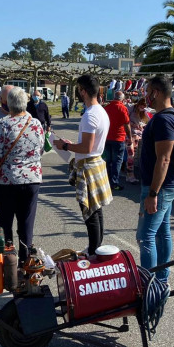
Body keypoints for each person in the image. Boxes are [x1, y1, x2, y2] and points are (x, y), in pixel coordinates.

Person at [53, 74, 112, 255]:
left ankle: (94, 252)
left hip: (88, 166)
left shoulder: (90, 115)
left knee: (90, 213)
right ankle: (97, 248)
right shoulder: (100, 111)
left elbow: (86, 147)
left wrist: (65, 145)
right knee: (96, 210)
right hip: (95, 162)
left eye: (79, 89)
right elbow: (89, 145)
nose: (78, 93)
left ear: (84, 91)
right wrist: (72, 144)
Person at [0, 87, 45, 262]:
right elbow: (41, 149)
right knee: (26, 222)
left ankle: (8, 260)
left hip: (8, 180)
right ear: (26, 102)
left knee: (6, 222)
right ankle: (25, 259)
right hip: (32, 179)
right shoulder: (36, 124)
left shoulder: (3, 124)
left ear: (8, 103)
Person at [137, 76, 174, 284]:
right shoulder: (167, 117)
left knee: (145, 236)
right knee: (162, 232)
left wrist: (153, 193)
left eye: (148, 91)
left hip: (160, 187)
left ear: (156, 92)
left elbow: (163, 159)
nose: (146, 96)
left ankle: (149, 283)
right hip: (165, 185)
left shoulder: (165, 120)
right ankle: (161, 280)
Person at [103, 91, 131, 191]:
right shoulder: (123, 108)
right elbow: (127, 124)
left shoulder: (107, 107)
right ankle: (114, 183)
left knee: (108, 161)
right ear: (122, 99)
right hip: (118, 138)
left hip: (107, 138)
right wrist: (130, 137)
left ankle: (106, 181)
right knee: (117, 161)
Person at [126, 97, 151, 184]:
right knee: (131, 156)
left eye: (144, 108)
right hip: (130, 135)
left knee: (132, 156)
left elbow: (148, 120)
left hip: (137, 136)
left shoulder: (144, 112)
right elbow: (126, 121)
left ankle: (129, 175)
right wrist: (134, 125)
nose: (142, 109)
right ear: (139, 104)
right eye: (142, 106)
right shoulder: (131, 108)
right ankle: (130, 175)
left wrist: (142, 125)